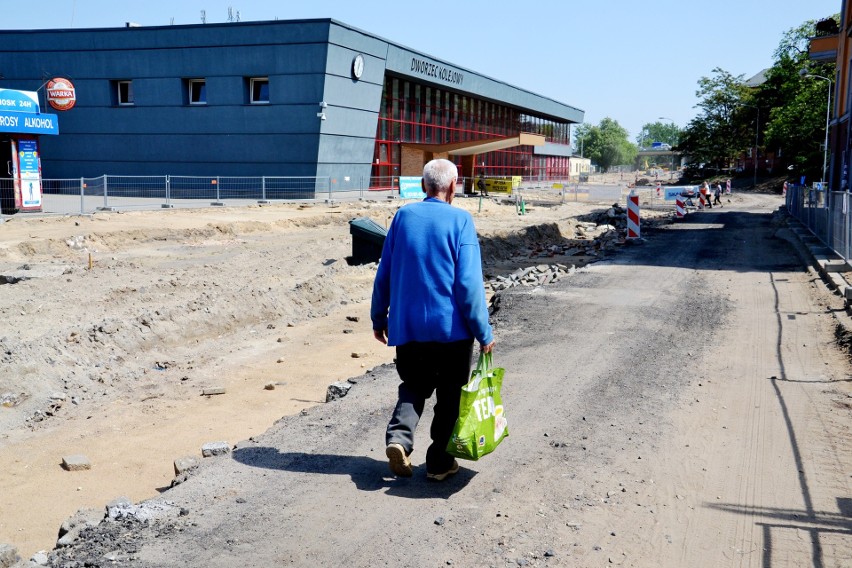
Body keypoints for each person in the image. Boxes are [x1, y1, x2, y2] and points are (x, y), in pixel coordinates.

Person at [371, 158, 495, 482]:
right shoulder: (461, 221)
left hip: (408, 326)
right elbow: (468, 285)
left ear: (425, 186)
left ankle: (399, 439)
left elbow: (384, 273)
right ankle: (440, 462)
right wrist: (484, 332)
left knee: (414, 385)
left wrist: (378, 317)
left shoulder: (402, 217)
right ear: (453, 186)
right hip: (451, 331)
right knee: (451, 394)